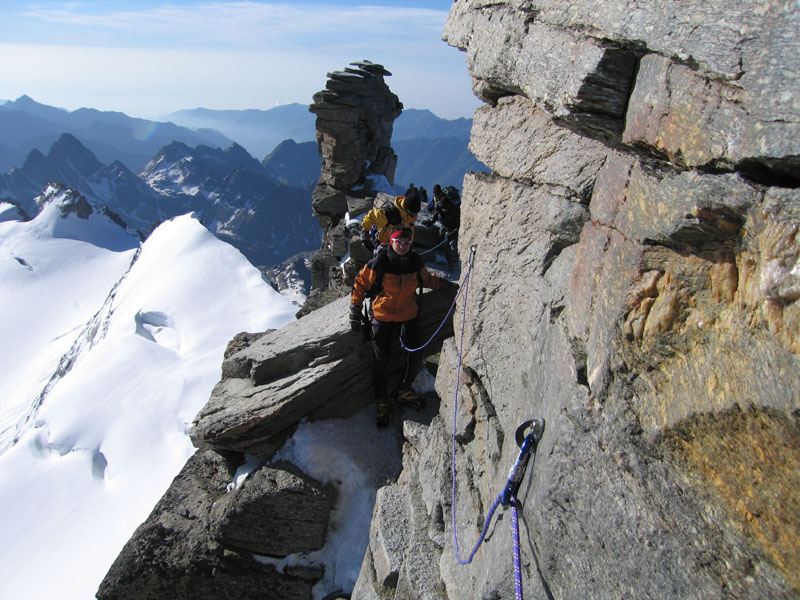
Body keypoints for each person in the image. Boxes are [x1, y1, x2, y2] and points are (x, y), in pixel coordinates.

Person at [349, 226, 454, 428]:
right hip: (382, 316)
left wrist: (447, 286)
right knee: (381, 360)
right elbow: (360, 283)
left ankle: (403, 390)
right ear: (392, 242)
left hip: (408, 316)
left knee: (414, 354)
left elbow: (428, 280)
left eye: (406, 243)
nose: (403, 246)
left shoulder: (414, 262)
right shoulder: (379, 262)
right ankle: (381, 400)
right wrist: (355, 310)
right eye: (399, 242)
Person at [429, 192, 461, 271]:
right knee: (446, 246)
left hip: (453, 230)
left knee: (453, 245)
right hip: (444, 229)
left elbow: (458, 223)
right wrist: (430, 222)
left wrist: (455, 229)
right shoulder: (439, 207)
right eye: (443, 208)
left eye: (445, 208)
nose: (444, 210)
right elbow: (435, 216)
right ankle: (450, 263)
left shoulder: (455, 210)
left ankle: (454, 263)